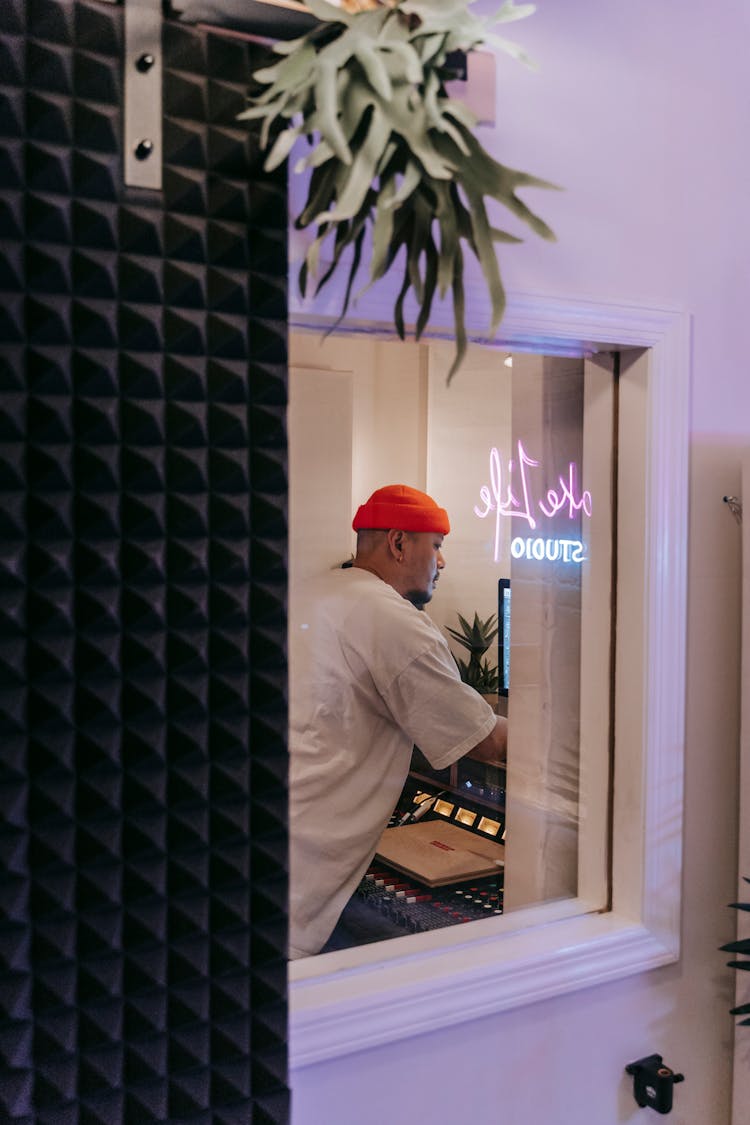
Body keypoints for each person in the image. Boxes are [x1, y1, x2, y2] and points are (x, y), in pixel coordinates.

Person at [288, 484, 508, 959]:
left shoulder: (315, 591)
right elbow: (487, 743)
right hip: (300, 864)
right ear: (399, 543)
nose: (442, 563)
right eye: (438, 546)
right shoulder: (393, 620)